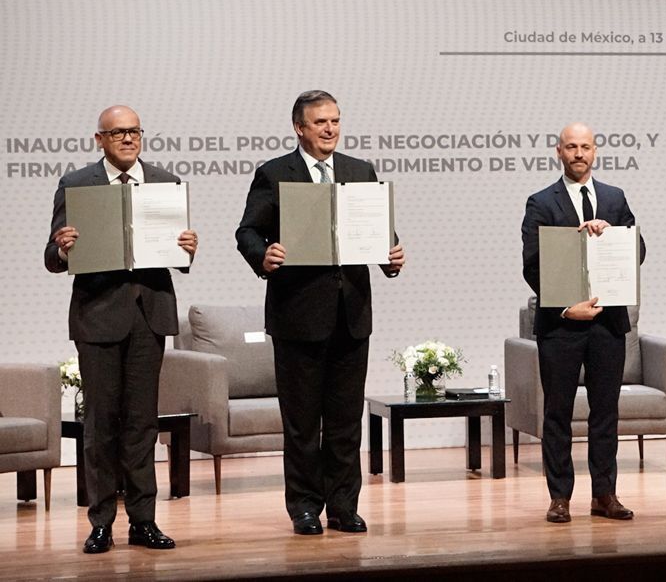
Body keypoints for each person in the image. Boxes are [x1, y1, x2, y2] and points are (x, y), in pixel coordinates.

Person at [236, 90, 404, 536]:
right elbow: (247, 231)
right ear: (299, 128)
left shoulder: (360, 171)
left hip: (351, 315)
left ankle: (344, 506)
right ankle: (305, 507)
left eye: (335, 121)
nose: (330, 129)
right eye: (320, 122)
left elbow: (379, 233)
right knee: (303, 423)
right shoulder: (275, 174)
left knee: (346, 420)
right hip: (297, 316)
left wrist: (391, 256)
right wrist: (263, 255)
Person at [45, 105, 198, 554]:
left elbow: (177, 257)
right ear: (100, 139)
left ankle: (143, 520)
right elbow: (53, 257)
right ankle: (101, 523)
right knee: (101, 423)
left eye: (134, 131)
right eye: (118, 133)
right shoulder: (77, 184)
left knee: (142, 423)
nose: (128, 139)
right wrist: (63, 249)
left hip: (150, 316)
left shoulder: (166, 183)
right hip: (97, 317)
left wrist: (187, 248)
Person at [520, 122, 645, 523]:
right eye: (571, 147)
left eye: (585, 147)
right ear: (559, 151)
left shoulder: (614, 198)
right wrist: (564, 308)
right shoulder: (541, 202)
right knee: (558, 413)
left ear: (595, 151)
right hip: (561, 325)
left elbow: (638, 251)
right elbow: (532, 266)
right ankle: (559, 497)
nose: (579, 154)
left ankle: (604, 495)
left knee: (605, 412)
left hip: (607, 323)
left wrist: (614, 233)